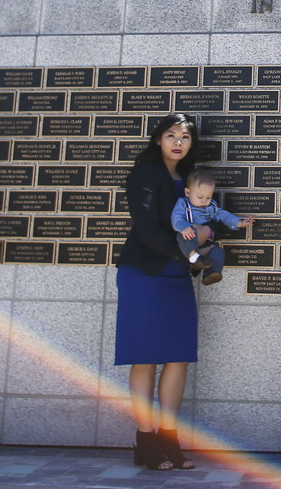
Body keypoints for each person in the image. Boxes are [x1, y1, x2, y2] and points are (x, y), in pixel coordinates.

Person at [114, 113, 204, 471]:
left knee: (178, 355)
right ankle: (146, 438)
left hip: (176, 273)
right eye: (171, 135)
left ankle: (169, 435)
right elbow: (148, 229)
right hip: (144, 272)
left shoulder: (190, 178)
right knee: (146, 356)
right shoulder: (144, 174)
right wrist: (191, 254)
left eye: (185, 137)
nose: (178, 142)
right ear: (158, 140)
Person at [172, 168, 254, 286]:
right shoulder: (183, 204)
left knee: (218, 251)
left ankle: (211, 273)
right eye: (200, 197)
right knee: (184, 236)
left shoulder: (211, 206)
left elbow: (224, 215)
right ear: (188, 193)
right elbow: (176, 218)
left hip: (205, 242)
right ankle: (194, 258)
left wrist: (240, 223)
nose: (204, 201)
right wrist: (184, 227)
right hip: (188, 236)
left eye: (208, 197)